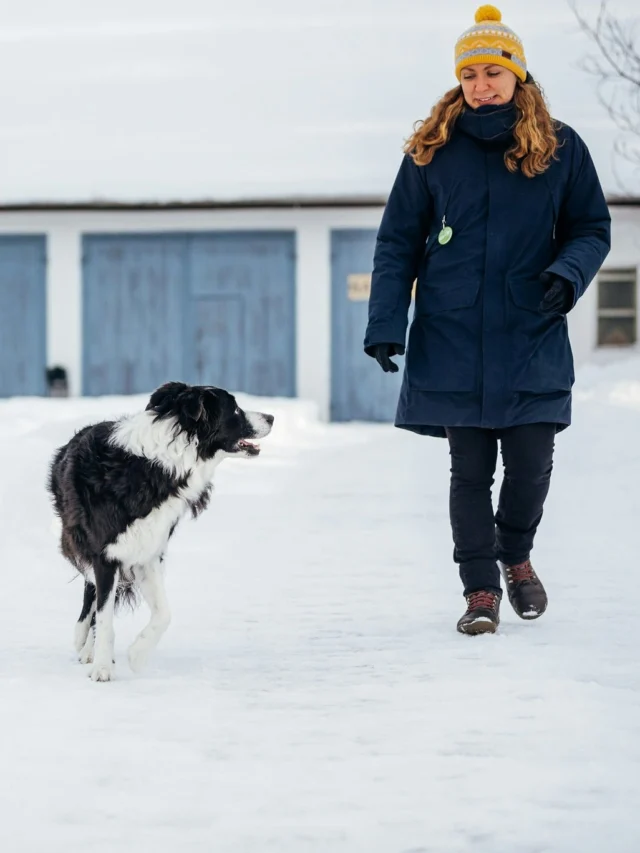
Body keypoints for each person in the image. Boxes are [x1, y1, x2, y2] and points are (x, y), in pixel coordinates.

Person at [363, 4, 611, 635]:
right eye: (469, 73)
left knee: (531, 465)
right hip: (452, 336)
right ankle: (480, 590)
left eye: (493, 71)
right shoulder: (431, 151)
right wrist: (387, 320)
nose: (481, 84)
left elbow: (590, 227)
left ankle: (517, 557)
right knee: (469, 471)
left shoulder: (560, 147)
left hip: (531, 331)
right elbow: (397, 241)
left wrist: (568, 273)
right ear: (458, 81)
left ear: (517, 75)